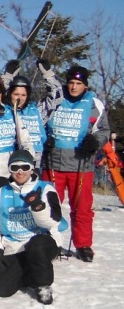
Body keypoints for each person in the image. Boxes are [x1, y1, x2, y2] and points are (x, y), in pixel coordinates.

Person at [43, 65, 108, 262]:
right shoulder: (55, 98)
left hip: (81, 164)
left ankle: (83, 244)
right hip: (53, 162)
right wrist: (45, 139)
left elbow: (103, 130)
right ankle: (48, 242)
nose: (73, 87)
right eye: (71, 82)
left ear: (85, 86)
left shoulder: (94, 103)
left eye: (78, 83)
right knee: (47, 206)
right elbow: (38, 121)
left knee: (82, 207)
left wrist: (95, 142)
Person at [0, 149, 65, 303]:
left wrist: (38, 208)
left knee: (36, 246)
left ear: (32, 168)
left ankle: (43, 284)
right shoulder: (0, 193)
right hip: (15, 246)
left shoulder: (45, 188)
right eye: (15, 168)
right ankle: (28, 272)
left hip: (42, 242)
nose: (20, 172)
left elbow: (53, 222)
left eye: (25, 167)